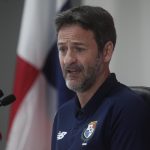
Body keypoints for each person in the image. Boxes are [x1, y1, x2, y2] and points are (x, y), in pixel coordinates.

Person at [51, 5, 150, 150]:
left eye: (79, 49)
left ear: (106, 52)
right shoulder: (62, 114)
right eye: (62, 49)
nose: (67, 60)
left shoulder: (128, 109)